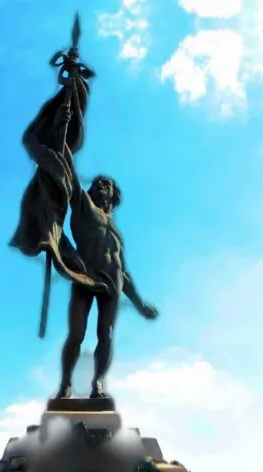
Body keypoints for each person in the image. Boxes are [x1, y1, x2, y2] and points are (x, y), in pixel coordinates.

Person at [53, 103, 159, 399]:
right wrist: (62, 129)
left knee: (106, 334)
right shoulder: (85, 208)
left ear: (113, 195)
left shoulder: (116, 231)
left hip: (112, 281)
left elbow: (124, 272)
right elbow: (68, 170)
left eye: (106, 184)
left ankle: (98, 383)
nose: (100, 185)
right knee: (76, 334)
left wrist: (139, 304)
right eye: (97, 183)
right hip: (86, 275)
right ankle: (65, 385)